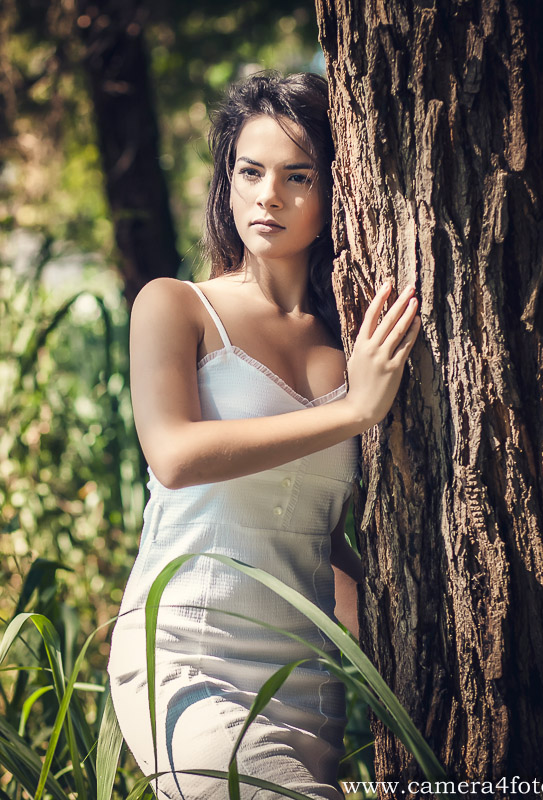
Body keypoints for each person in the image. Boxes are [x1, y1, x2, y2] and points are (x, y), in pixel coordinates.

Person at [105, 72, 421, 800]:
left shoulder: (350, 348)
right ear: (227, 182)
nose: (267, 195)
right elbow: (175, 457)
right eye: (250, 172)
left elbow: (317, 534)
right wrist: (354, 412)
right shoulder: (177, 306)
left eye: (297, 176)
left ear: (338, 190)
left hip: (307, 680)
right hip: (186, 656)